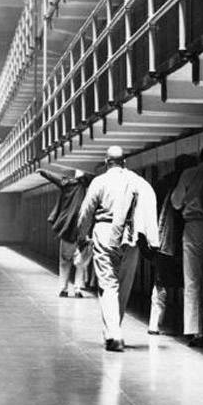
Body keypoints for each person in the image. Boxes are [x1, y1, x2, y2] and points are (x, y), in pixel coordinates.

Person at [77, 146, 159, 352]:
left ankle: (113, 333)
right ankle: (114, 329)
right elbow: (148, 204)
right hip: (130, 235)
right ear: (124, 162)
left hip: (105, 233)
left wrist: (81, 236)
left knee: (108, 284)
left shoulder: (99, 181)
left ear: (106, 162)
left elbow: (86, 212)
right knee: (124, 285)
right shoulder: (137, 181)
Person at [171, 143, 203, 347]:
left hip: (193, 226)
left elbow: (176, 202)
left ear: (200, 157)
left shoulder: (188, 174)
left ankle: (195, 330)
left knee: (192, 279)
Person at [145, 154, 197, 335]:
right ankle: (187, 326)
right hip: (187, 237)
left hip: (164, 240)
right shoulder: (193, 180)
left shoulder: (162, 183)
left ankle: (154, 323)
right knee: (189, 283)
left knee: (160, 284)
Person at [39, 167, 93, 298]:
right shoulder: (89, 189)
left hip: (68, 229)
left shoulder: (68, 184)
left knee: (64, 261)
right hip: (82, 231)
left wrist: (43, 172)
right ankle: (78, 289)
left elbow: (55, 179)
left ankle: (63, 289)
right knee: (80, 262)